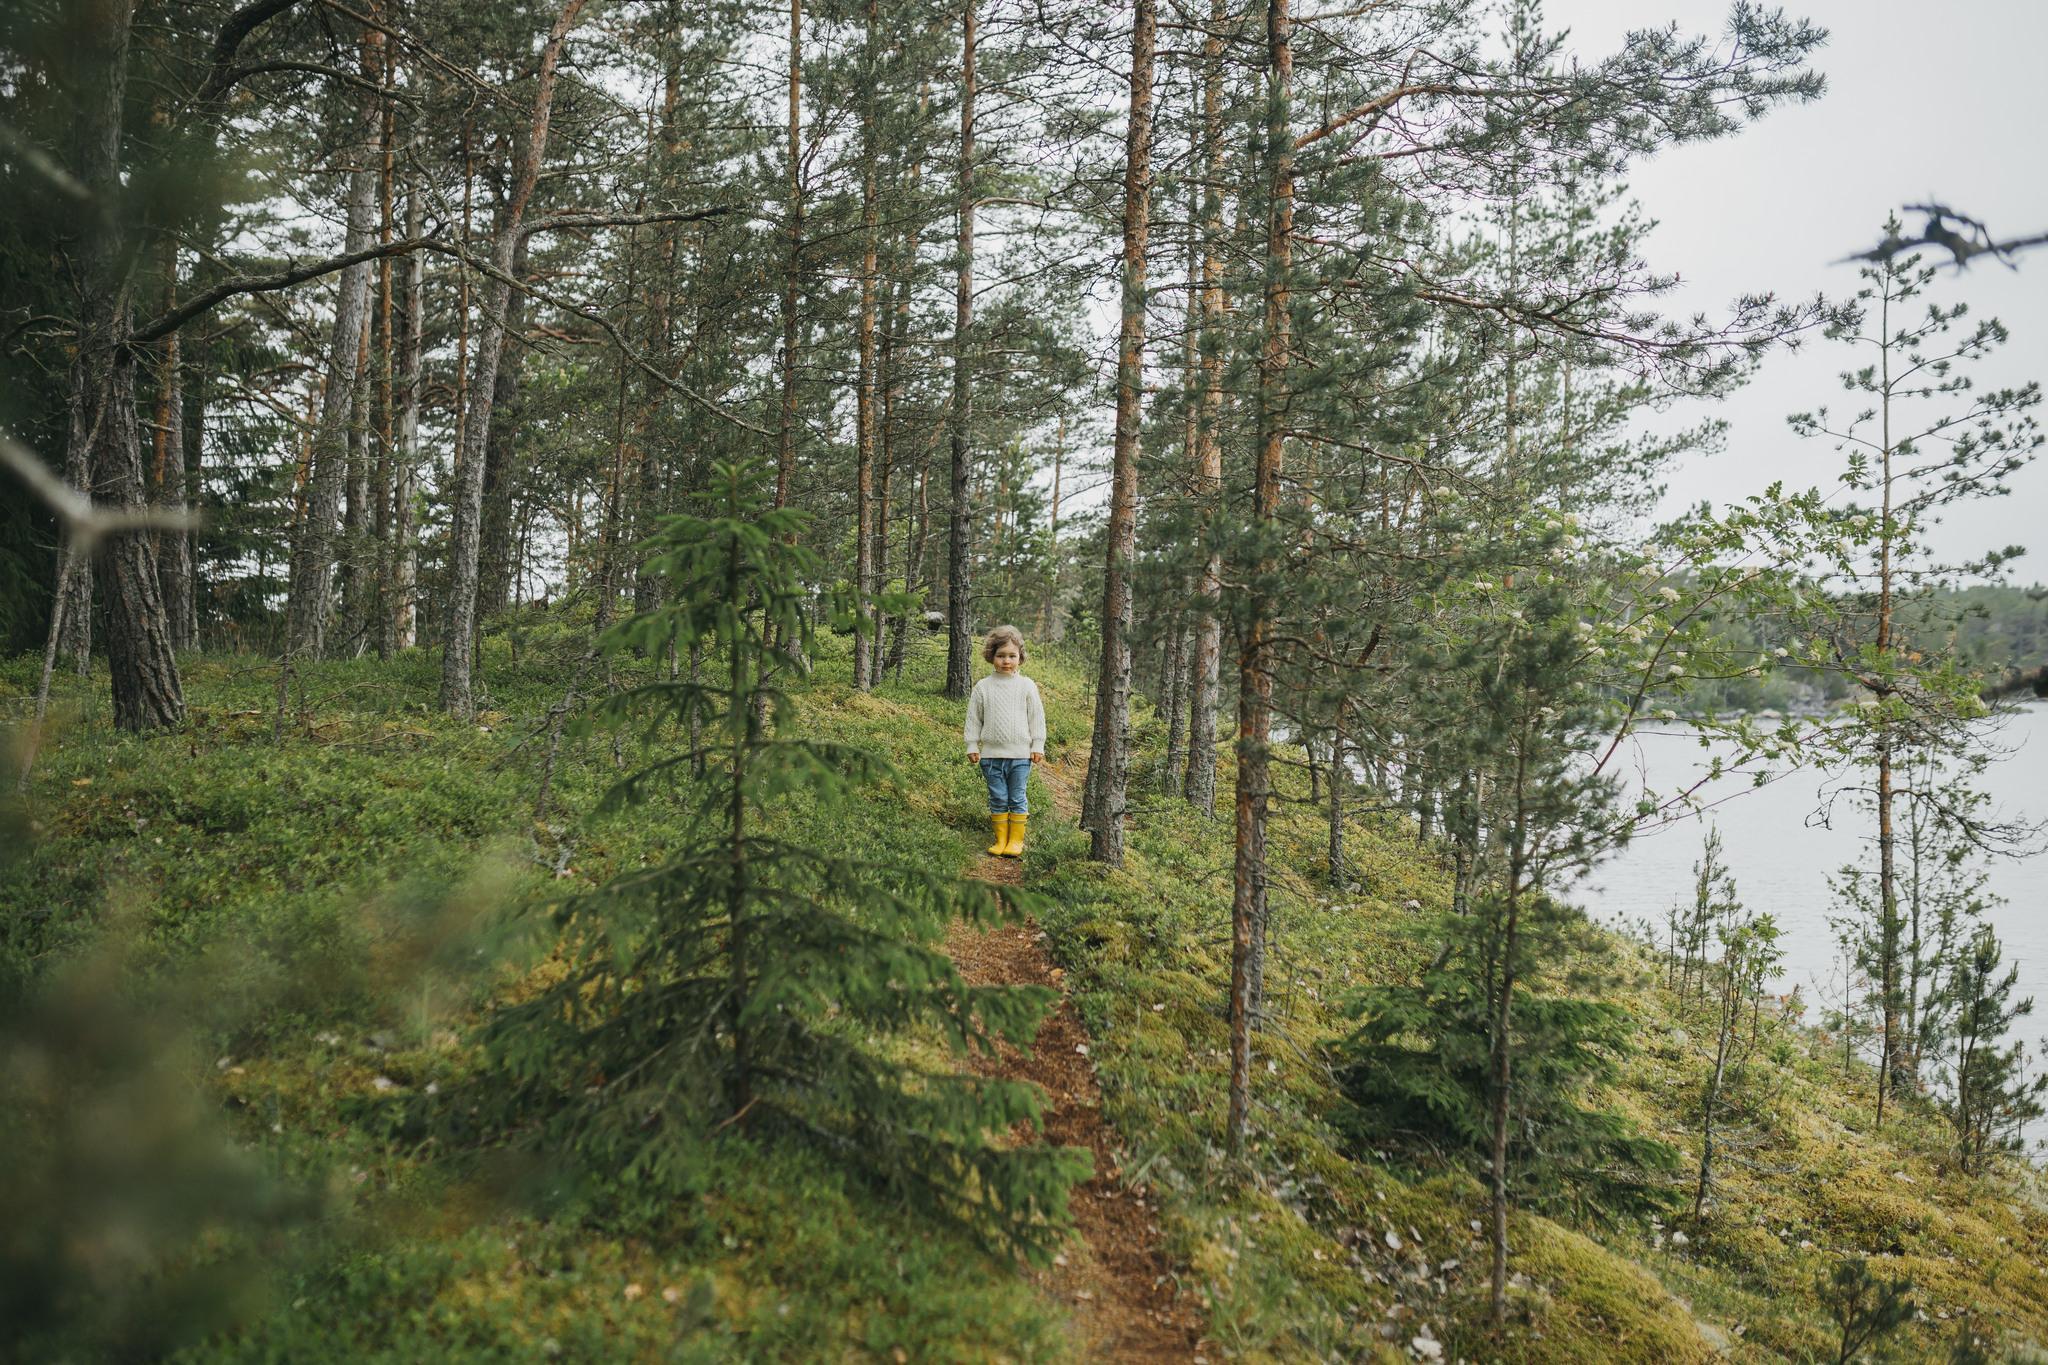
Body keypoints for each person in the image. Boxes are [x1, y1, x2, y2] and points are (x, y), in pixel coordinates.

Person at [963, 625, 1046, 859]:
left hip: (1020, 756)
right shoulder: (983, 687)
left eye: (1012, 656)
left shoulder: (1027, 686)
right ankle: (1000, 839)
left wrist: (1037, 745)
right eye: (1001, 656)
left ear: (1020, 657)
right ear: (992, 656)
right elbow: (973, 718)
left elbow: (1036, 718)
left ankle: (1016, 841)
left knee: (1017, 797)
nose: (1006, 661)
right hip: (990, 757)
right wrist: (972, 745)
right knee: (998, 797)